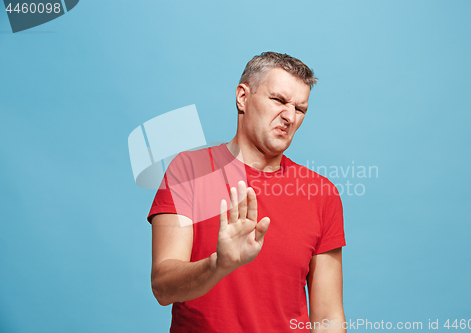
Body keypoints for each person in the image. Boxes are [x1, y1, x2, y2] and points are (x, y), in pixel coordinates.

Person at [147, 52, 346, 332]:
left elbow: (329, 318)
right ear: (243, 97)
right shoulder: (189, 171)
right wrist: (219, 265)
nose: (289, 116)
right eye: (278, 100)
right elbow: (163, 287)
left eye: (300, 109)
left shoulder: (321, 193)